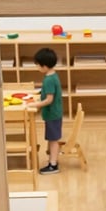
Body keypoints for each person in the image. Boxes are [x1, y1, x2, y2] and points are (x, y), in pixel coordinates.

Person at [27, 47, 63, 175]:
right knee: (52, 138)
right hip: (55, 113)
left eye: (38, 65)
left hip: (52, 114)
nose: (37, 67)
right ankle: (52, 161)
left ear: (45, 66)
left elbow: (49, 100)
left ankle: (53, 165)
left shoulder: (48, 80)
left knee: (53, 140)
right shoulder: (53, 75)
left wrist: (36, 104)